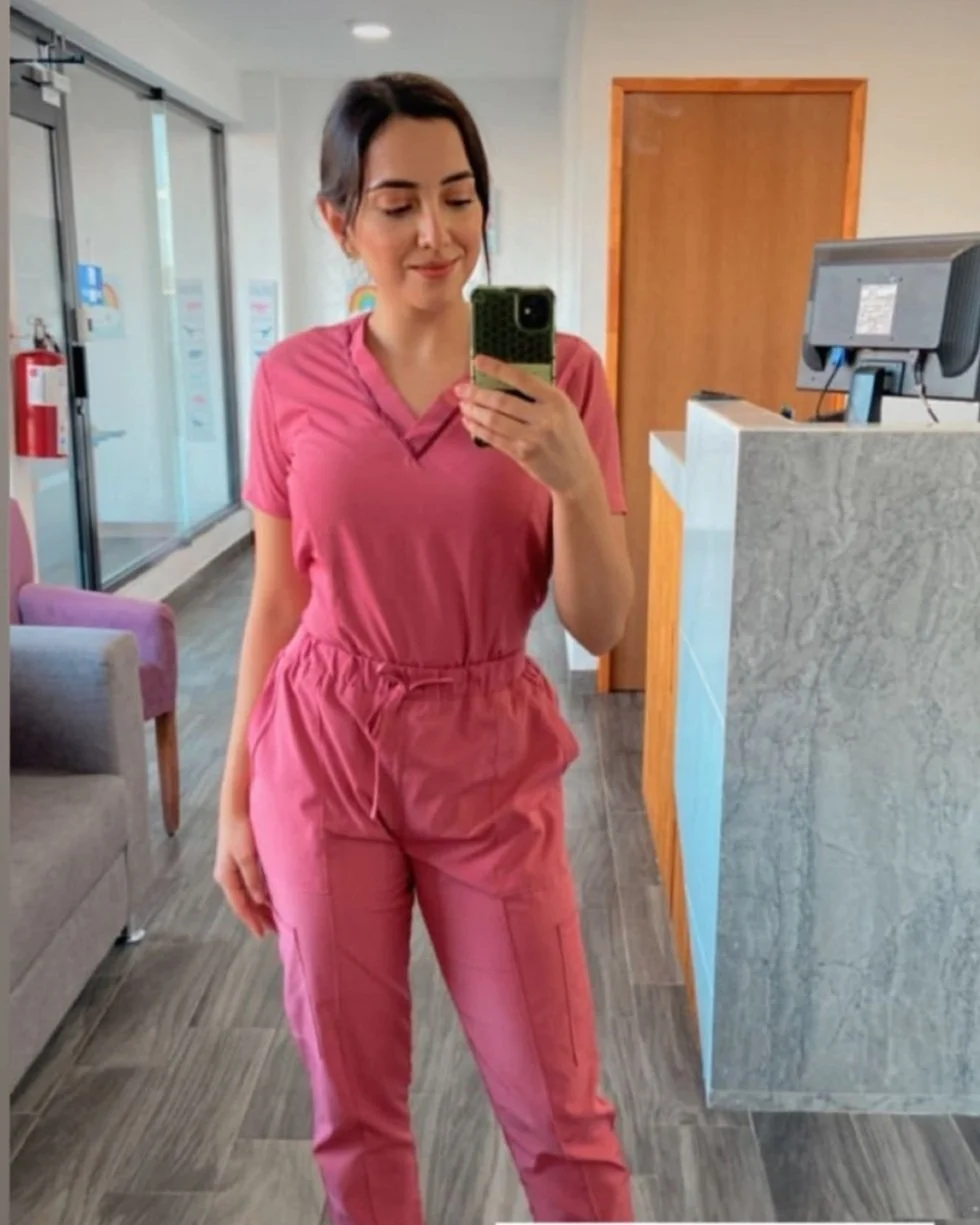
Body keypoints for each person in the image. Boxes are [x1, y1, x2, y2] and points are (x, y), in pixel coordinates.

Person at [215, 72, 636, 1225]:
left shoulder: (559, 372)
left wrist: (572, 481)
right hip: (321, 749)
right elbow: (273, 600)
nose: (436, 233)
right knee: (352, 1108)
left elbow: (600, 624)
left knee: (559, 1113)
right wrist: (236, 799)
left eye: (458, 197)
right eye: (396, 203)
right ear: (338, 221)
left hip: (487, 750)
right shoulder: (289, 380)